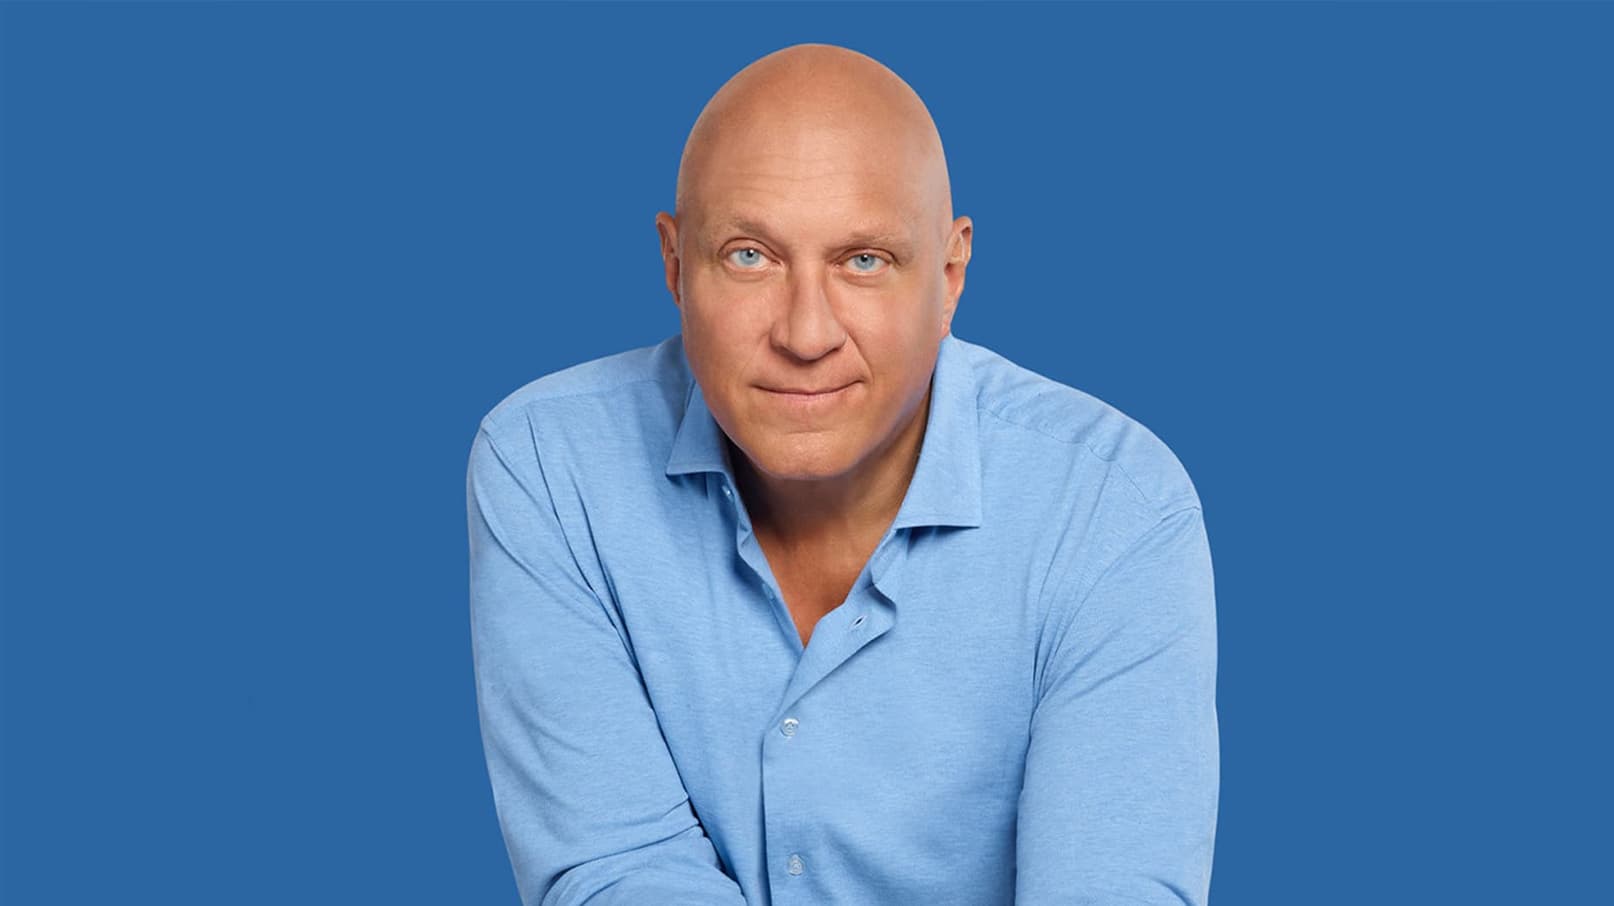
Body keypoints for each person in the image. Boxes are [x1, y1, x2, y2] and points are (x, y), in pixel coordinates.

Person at [467, 42, 1218, 906]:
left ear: (950, 277)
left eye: (864, 260)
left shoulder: (1113, 509)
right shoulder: (549, 465)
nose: (806, 334)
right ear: (674, 265)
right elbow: (618, 872)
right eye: (750, 256)